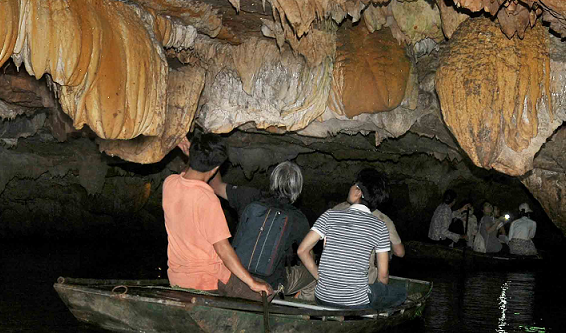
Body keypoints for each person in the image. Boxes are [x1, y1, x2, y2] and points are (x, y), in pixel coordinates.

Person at [162, 132, 273, 300]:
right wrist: (252, 283)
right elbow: (223, 249)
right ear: (215, 169)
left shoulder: (169, 183)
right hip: (208, 280)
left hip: (177, 278)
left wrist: (192, 156)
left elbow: (186, 175)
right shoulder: (208, 200)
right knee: (266, 291)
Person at [297, 168, 408, 309]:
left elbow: (302, 250)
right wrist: (380, 295)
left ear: (358, 191)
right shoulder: (380, 226)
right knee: (401, 293)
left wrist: (320, 277)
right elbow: (383, 276)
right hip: (355, 302)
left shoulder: (330, 215)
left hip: (322, 297)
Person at [210, 161, 313, 295]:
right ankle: (296, 308)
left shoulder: (248, 196)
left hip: (236, 273)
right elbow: (307, 254)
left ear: (272, 180)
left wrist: (212, 159)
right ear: (298, 190)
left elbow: (216, 186)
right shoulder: (298, 218)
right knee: (313, 275)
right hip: (271, 283)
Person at [332, 193, 404, 286]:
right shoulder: (382, 221)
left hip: (333, 278)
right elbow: (400, 252)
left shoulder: (337, 209)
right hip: (364, 283)